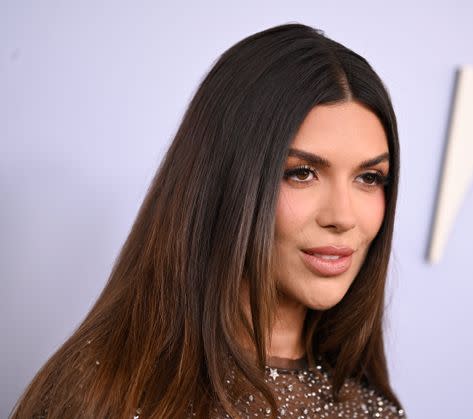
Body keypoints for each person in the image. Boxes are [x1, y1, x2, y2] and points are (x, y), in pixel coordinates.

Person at [11, 22, 406, 418]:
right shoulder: (106, 396)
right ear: (226, 181)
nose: (342, 217)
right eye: (301, 172)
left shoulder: (372, 410)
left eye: (369, 178)